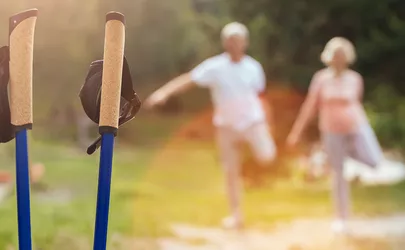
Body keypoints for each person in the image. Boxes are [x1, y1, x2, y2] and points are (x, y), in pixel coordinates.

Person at [145, 22, 277, 229]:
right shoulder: (216, 66)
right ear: (225, 43)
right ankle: (236, 216)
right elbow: (189, 79)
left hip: (253, 123)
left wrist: (268, 123)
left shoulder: (254, 67)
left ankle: (250, 168)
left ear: (245, 43)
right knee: (230, 172)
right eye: (230, 41)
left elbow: (261, 97)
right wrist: (163, 93)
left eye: (238, 40)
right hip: (226, 127)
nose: (234, 44)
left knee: (267, 157)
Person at [286, 37, 383, 234]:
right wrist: (296, 132)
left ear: (347, 58)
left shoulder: (355, 79)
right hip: (331, 131)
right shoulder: (321, 79)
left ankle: (346, 153)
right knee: (338, 174)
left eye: (342, 55)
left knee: (374, 161)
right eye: (335, 55)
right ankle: (341, 219)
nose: (338, 59)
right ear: (329, 57)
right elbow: (310, 106)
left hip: (356, 128)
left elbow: (356, 103)